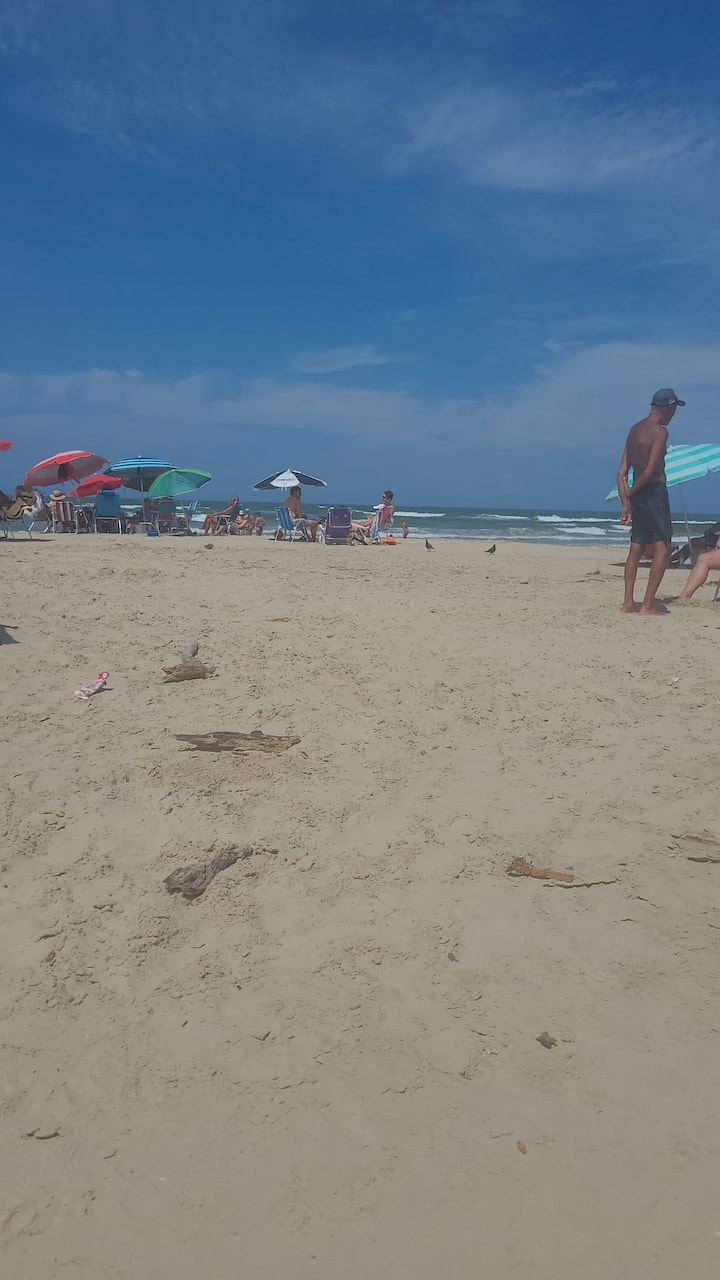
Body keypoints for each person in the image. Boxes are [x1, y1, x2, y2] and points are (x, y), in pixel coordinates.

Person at [616, 388, 684, 615]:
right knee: (664, 547)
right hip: (653, 493)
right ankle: (647, 605)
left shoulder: (634, 429)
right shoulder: (660, 432)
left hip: (638, 497)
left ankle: (628, 603)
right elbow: (649, 471)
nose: (674, 414)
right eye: (674, 409)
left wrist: (625, 503)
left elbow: (621, 471)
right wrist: (631, 492)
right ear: (666, 407)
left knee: (637, 546)